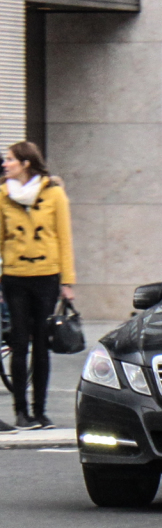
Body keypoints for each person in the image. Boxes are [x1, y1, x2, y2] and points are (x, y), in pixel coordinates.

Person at [1, 141, 75, 430]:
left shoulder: (54, 194)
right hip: (14, 275)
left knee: (42, 345)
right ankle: (21, 411)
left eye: (9, 160)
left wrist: (67, 281)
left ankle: (40, 411)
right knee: (19, 344)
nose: (5, 164)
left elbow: (64, 238)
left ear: (25, 163)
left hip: (47, 276)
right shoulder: (3, 195)